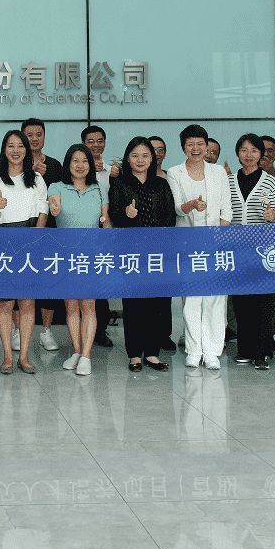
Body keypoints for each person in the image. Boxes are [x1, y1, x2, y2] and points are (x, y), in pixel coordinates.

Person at [166, 125, 232, 370]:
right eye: (190, 144)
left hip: (216, 243)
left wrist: (219, 237)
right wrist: (191, 204)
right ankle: (194, 350)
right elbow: (175, 207)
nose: (195, 148)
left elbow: (226, 208)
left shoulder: (218, 172)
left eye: (200, 144)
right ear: (183, 147)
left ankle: (213, 351)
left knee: (215, 298)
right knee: (192, 298)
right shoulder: (174, 172)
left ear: (207, 146)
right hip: (188, 243)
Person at [0, 129, 48, 375]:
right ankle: (7, 357)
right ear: (4, 150)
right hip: (3, 243)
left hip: (30, 242)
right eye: (10, 146)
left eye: (20, 146)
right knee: (6, 303)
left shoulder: (36, 179)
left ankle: (24, 356)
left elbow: (43, 210)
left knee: (28, 302)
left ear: (26, 150)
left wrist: (35, 240)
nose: (16, 150)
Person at [108, 136, 175, 372]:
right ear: (128, 159)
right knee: (133, 305)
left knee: (155, 305)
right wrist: (126, 213)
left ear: (152, 159)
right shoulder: (120, 184)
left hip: (156, 253)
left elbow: (169, 217)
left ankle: (153, 353)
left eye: (145, 155)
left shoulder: (161, 184)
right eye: (135, 155)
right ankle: (135, 354)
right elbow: (113, 214)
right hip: (131, 252)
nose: (140, 160)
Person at [47, 143, 110, 376]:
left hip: (91, 255)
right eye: (75, 161)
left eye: (84, 161)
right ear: (68, 164)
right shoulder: (56, 186)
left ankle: (86, 356)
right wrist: (55, 207)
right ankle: (76, 350)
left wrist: (110, 244)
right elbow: (54, 204)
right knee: (71, 305)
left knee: (88, 305)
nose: (80, 165)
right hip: (66, 255)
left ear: (91, 165)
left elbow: (106, 220)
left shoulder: (100, 189)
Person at [226, 134, 275, 371]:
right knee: (241, 302)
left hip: (262, 250)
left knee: (263, 302)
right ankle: (245, 348)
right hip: (237, 250)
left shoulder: (270, 181)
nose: (248, 155)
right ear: (238, 153)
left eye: (254, 151)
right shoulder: (229, 181)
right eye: (244, 150)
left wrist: (273, 216)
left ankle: (262, 351)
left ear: (261, 154)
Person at [21, 118, 63, 354]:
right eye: (29, 134)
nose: (34, 138)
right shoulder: (14, 163)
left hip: (50, 233)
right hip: (21, 231)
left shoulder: (55, 165)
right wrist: (30, 172)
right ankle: (18, 330)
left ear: (44, 137)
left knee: (48, 282)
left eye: (39, 134)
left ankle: (46, 331)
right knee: (21, 282)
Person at [80, 124, 118, 349]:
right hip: (80, 233)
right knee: (81, 284)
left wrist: (117, 177)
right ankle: (80, 329)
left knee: (100, 284)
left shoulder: (112, 171)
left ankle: (100, 329)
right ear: (83, 144)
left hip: (103, 233)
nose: (95, 145)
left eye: (100, 140)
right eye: (90, 141)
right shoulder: (77, 167)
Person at [148, 133, 179, 353]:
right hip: (144, 242)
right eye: (153, 149)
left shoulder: (171, 177)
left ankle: (164, 335)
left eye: (161, 149)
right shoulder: (135, 177)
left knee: (164, 290)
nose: (157, 153)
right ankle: (146, 335)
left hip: (168, 239)